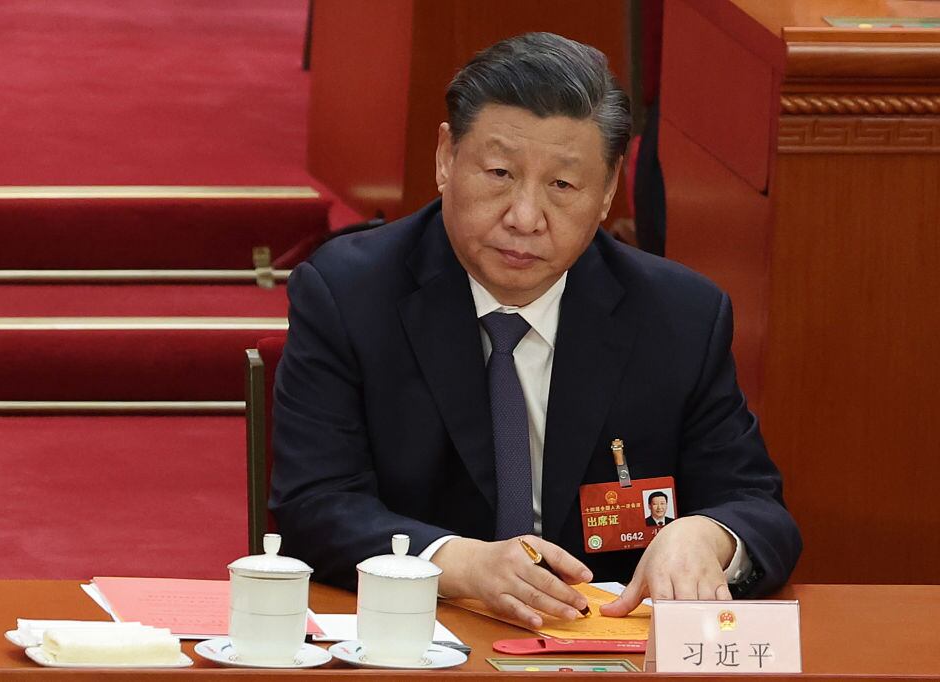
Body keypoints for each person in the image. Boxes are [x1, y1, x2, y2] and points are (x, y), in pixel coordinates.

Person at [270, 32, 801, 628]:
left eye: (563, 186)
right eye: (499, 172)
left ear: (606, 192)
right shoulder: (348, 294)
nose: (524, 217)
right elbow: (315, 504)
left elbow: (758, 508)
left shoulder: (679, 316)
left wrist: (709, 538)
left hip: (604, 642)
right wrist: (457, 563)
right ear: (446, 158)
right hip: (420, 637)